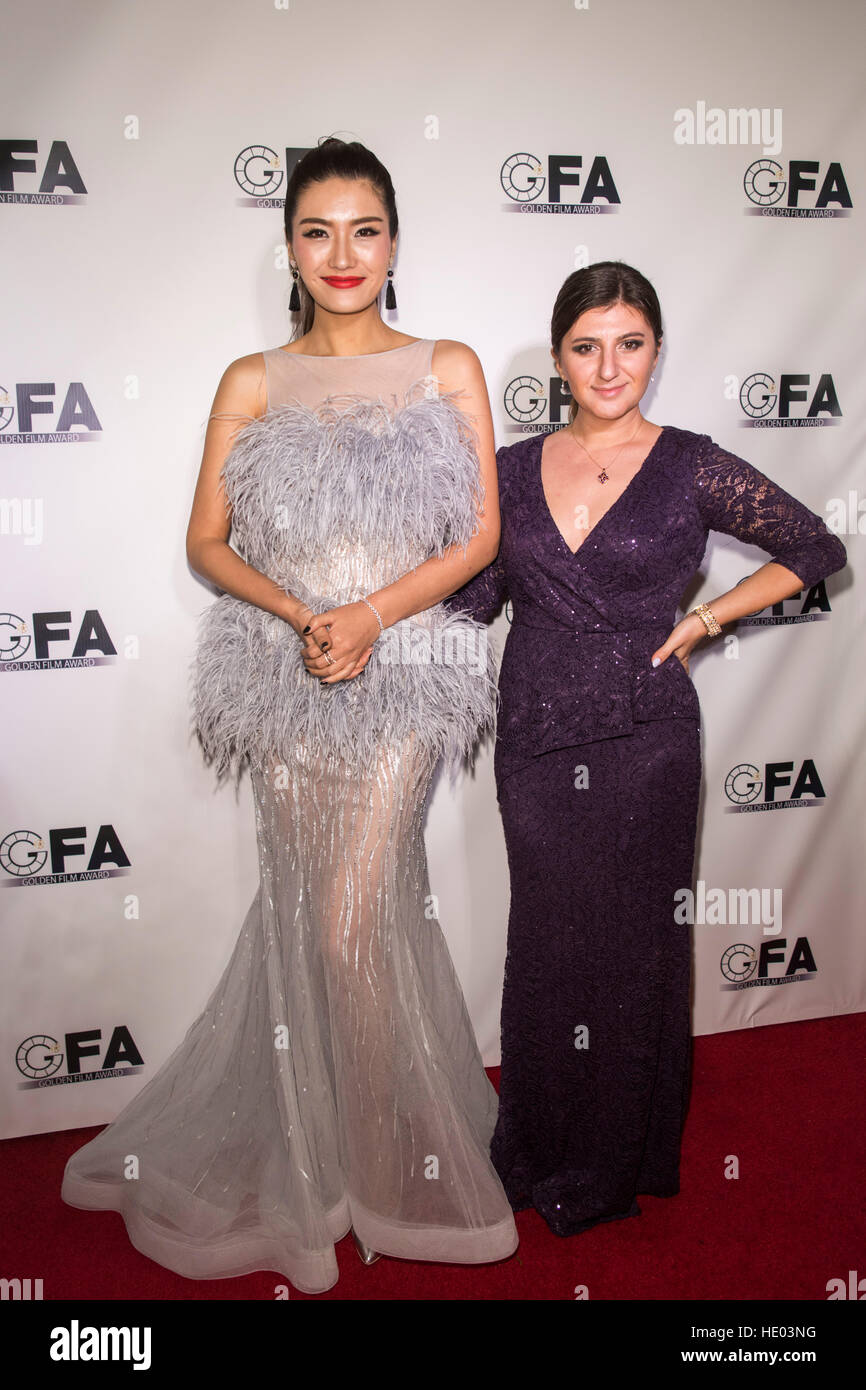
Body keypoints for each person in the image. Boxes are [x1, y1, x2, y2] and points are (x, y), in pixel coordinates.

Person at [61, 137, 518, 1293]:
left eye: (364, 229)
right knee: (306, 916)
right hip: (285, 679)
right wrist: (303, 609)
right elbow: (205, 542)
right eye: (317, 231)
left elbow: (477, 539)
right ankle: (320, 1165)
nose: (342, 253)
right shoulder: (249, 380)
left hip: (403, 677)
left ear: (394, 242)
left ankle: (391, 1161)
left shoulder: (447, 365)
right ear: (289, 249)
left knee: (345, 923)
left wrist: (367, 615)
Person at [444, 260, 847, 1237]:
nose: (607, 364)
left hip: (646, 732)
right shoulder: (505, 470)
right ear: (556, 358)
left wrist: (707, 617)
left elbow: (814, 547)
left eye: (628, 343)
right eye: (586, 346)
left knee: (631, 945)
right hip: (536, 728)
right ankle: (535, 1146)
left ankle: (616, 1157)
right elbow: (471, 598)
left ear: (655, 351)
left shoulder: (689, 462)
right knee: (543, 941)